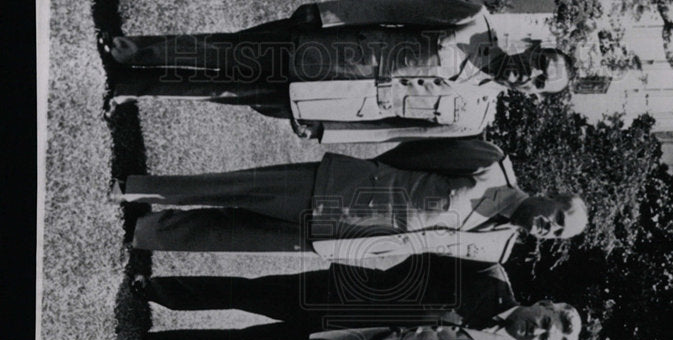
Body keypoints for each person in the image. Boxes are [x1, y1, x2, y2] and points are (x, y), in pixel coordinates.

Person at [98, 0, 573, 142]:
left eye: (537, 83)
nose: (528, 75)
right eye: (538, 63)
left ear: (532, 94)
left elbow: (395, 131)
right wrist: (328, 14)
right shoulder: (474, 20)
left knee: (225, 92)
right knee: (227, 52)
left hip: (332, 100)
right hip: (329, 50)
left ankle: (133, 88)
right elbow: (393, 7)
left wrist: (330, 130)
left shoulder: (476, 116)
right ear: (534, 48)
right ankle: (131, 49)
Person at [118, 139, 588, 264]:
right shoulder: (490, 164)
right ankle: (136, 188)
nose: (548, 228)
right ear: (550, 194)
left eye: (556, 233)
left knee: (238, 235)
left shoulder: (498, 244)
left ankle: (146, 231)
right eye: (557, 217)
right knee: (235, 188)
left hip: (349, 239)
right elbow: (412, 154)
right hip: (341, 189)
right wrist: (372, 179)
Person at [132, 255, 581, 340]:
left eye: (546, 338)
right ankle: (156, 290)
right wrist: (383, 294)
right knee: (250, 293)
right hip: (348, 295)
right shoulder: (490, 274)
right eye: (546, 321)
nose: (537, 331)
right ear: (544, 303)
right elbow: (425, 263)